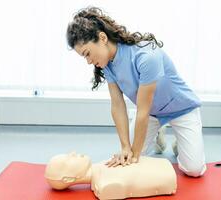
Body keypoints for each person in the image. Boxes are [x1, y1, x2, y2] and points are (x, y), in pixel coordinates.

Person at [66, 6, 206, 177]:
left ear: (102, 38)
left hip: (182, 110)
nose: (88, 61)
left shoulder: (146, 56)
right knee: (130, 153)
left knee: (194, 170)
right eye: (84, 57)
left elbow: (142, 110)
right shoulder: (107, 64)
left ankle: (179, 142)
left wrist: (134, 155)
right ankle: (158, 135)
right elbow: (117, 105)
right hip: (152, 114)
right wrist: (125, 147)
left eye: (87, 53)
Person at [44, 152, 177, 199]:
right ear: (68, 179)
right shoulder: (106, 185)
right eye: (68, 159)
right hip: (167, 177)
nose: (73, 153)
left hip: (164, 168)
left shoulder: (104, 164)